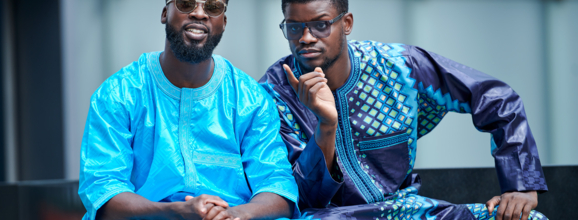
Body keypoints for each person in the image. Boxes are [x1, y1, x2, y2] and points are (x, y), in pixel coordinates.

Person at [259, 0, 548, 219]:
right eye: (295, 27)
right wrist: (326, 125)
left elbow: (495, 97)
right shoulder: (274, 94)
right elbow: (308, 196)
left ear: (346, 23)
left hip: (405, 211)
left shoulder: (399, 66)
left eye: (321, 24)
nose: (306, 37)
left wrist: (519, 184)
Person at [78, 0, 298, 219]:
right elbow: (103, 191)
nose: (200, 14)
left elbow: (277, 185)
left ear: (223, 22)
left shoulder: (251, 99)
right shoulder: (119, 93)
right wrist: (176, 213)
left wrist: (235, 215)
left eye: (213, 7)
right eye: (186, 3)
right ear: (165, 13)